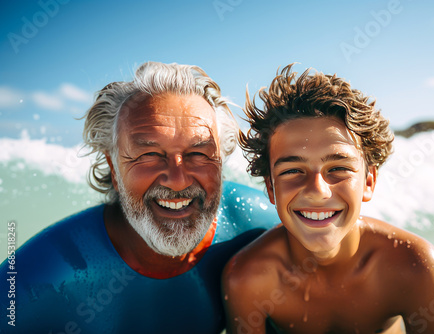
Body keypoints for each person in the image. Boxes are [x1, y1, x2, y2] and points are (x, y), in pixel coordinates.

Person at [0, 62, 278, 333]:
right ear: (113, 167)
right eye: (149, 155)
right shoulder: (40, 276)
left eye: (198, 154)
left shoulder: (260, 227)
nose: (178, 179)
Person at [222, 64, 434, 333]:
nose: (317, 190)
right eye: (292, 171)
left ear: (369, 182)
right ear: (272, 190)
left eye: (337, 168)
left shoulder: (412, 265)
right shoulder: (249, 279)